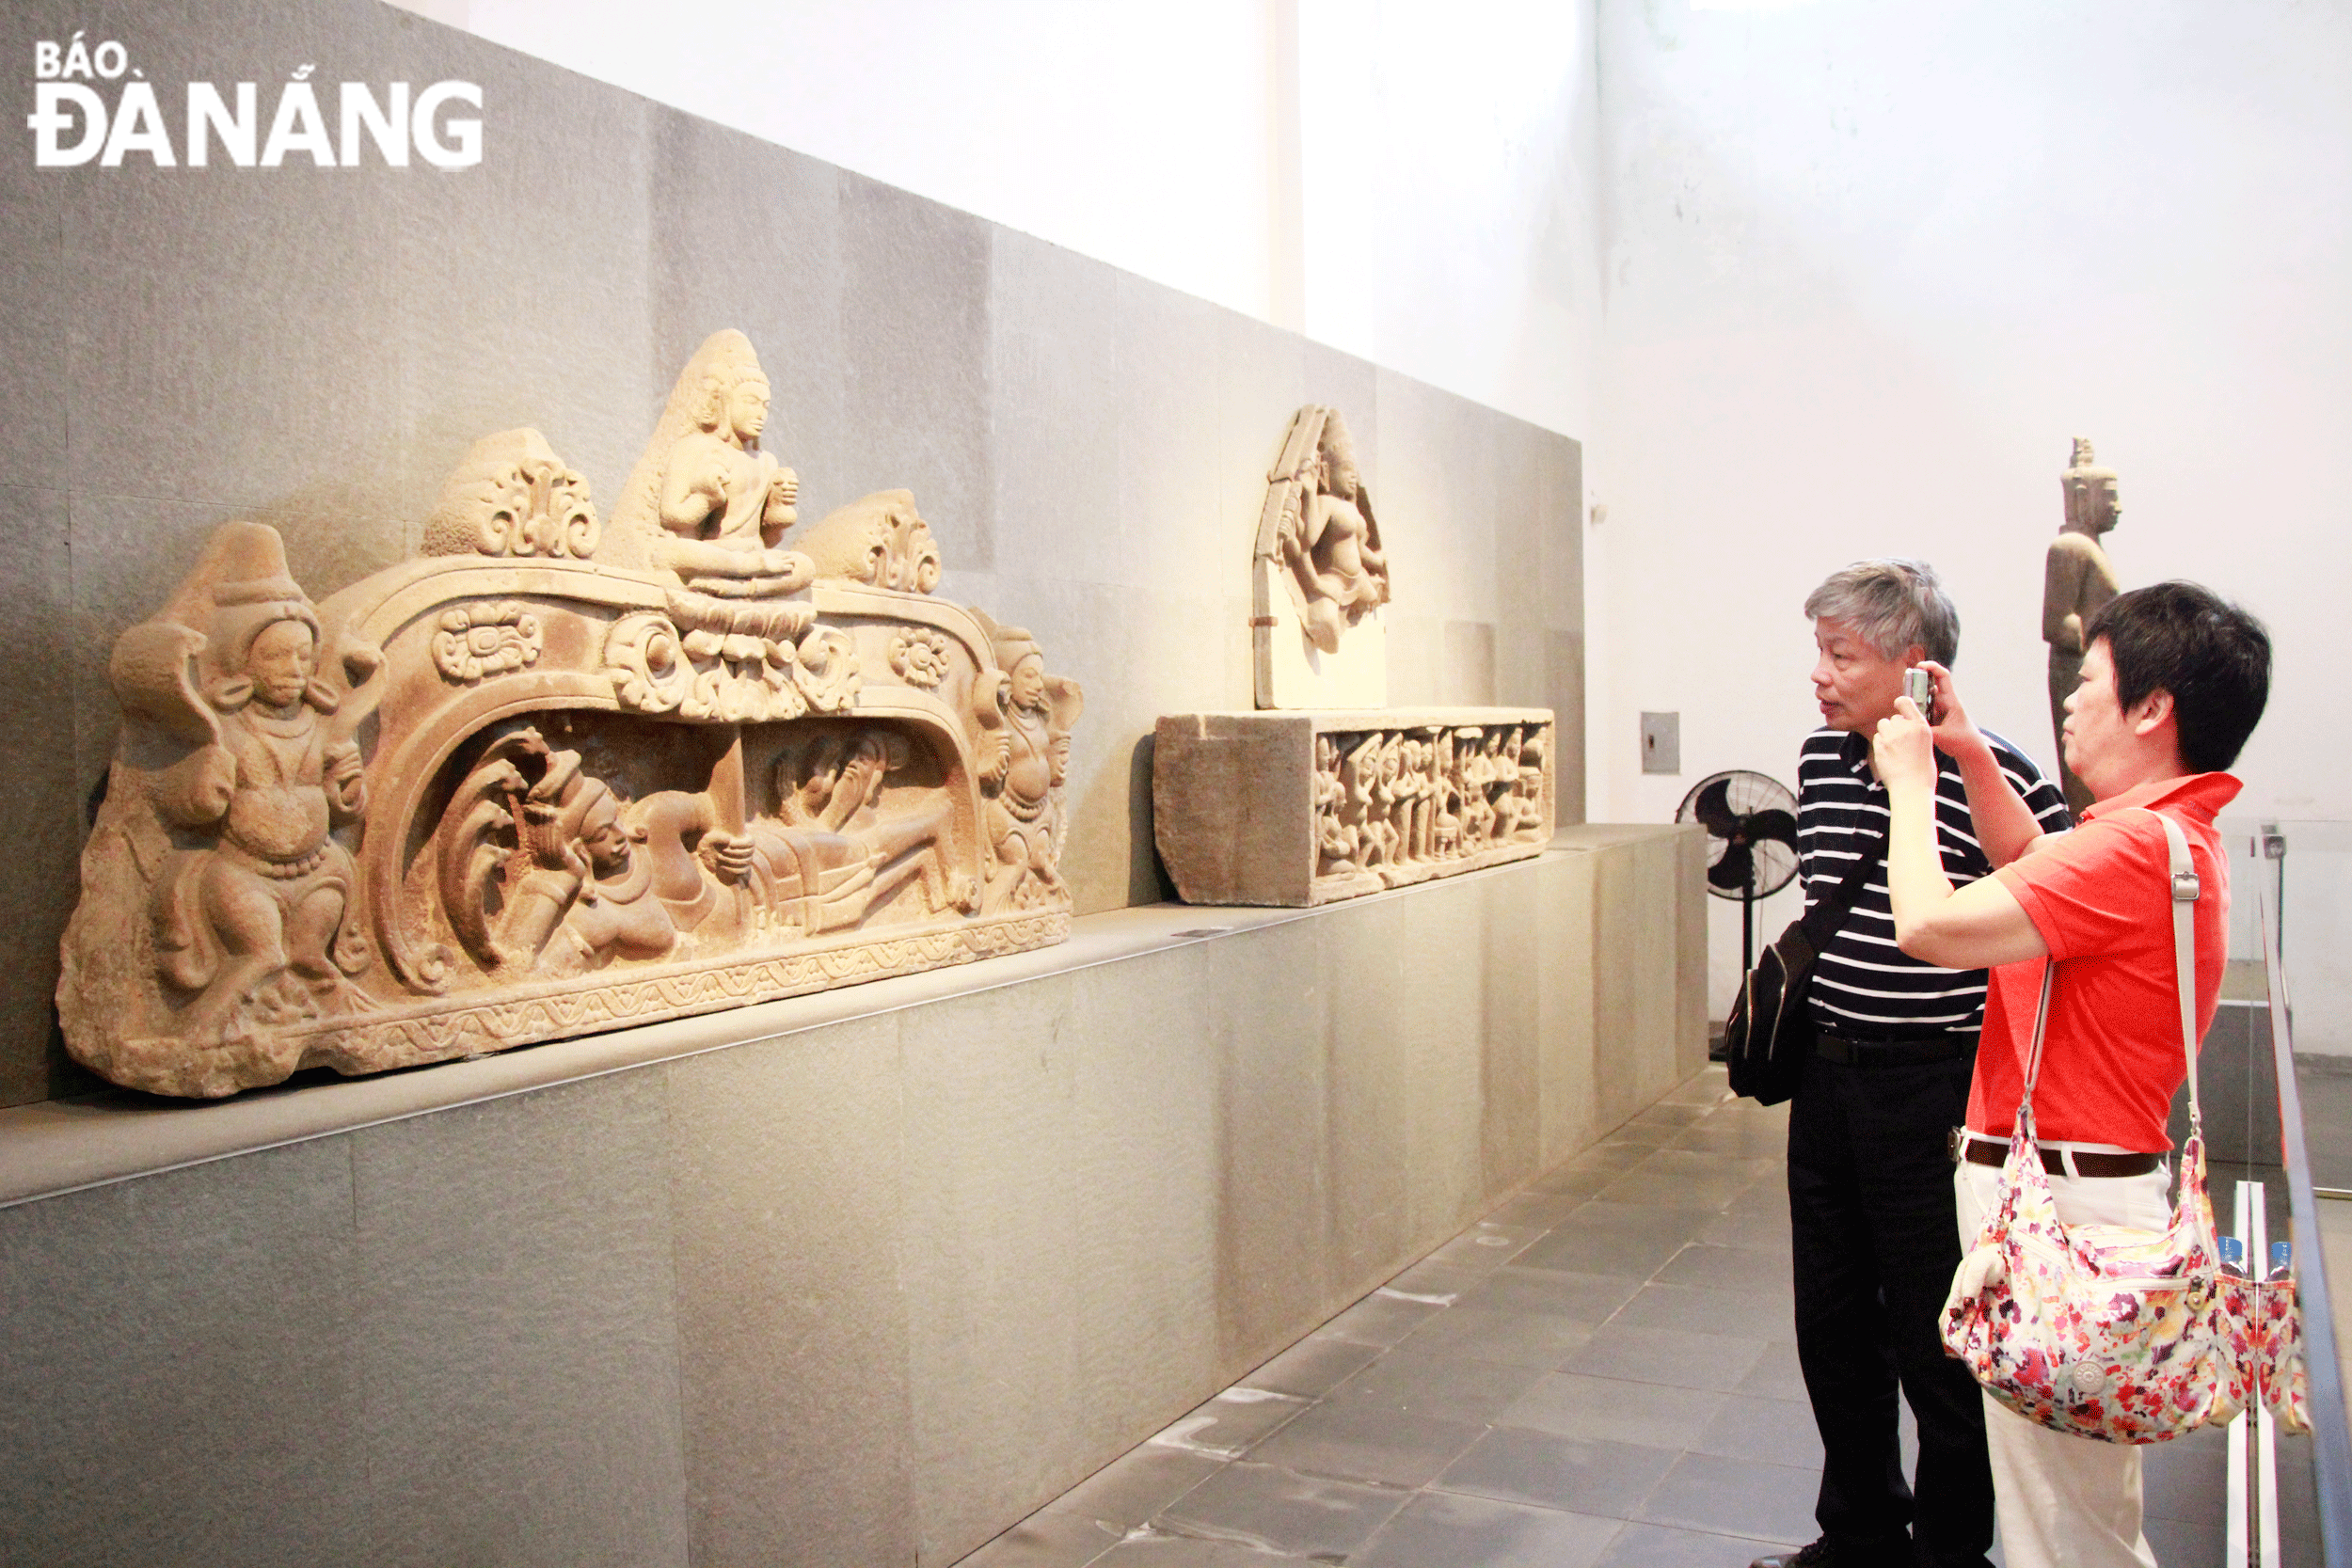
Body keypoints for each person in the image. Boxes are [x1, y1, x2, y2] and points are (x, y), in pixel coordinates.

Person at [1873, 580, 2271, 1568]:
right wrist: (1968, 751)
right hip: (2085, 1195)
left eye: (2087, 678)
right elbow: (2034, 861)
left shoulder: (2131, 845)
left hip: (2060, 1211)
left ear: (2152, 708)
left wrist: (1913, 784)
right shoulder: (2164, 836)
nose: (2068, 697)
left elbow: (1928, 925)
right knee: (2067, 1509)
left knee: (2066, 1533)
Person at [1756, 561, 2070, 1568]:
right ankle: (1856, 1530)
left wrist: (1934, 773)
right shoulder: (1816, 757)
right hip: (1831, 1078)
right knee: (1832, 1321)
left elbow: (2048, 898)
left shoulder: (2001, 771)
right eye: (1818, 649)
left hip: (1936, 1084)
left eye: (1841, 654)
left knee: (1940, 1331)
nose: (1818, 673)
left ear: (1913, 665)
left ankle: (1948, 1547)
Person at [2042, 437, 2123, 815]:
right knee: (2082, 774)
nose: (2117, 507)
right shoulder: (2070, 548)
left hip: (2096, 670)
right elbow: (2056, 624)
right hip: (2076, 672)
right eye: (2109, 497)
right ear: (2082, 495)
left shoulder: (2086, 547)